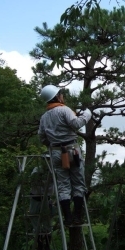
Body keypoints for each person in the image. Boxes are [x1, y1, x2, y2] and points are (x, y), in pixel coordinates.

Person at [38, 85, 92, 227]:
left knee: (63, 186)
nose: (62, 96)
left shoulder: (44, 117)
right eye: (60, 94)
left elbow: (42, 137)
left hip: (56, 152)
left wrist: (51, 144)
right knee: (78, 183)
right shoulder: (64, 110)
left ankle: (67, 218)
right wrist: (87, 114)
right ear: (56, 96)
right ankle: (77, 217)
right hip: (71, 150)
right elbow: (76, 123)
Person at [29, 154, 56, 250]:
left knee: (47, 224)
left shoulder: (53, 170)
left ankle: (48, 246)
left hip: (46, 199)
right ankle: (39, 246)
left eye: (49, 159)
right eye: (45, 159)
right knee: (35, 222)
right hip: (35, 198)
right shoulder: (37, 169)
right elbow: (33, 180)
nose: (47, 161)